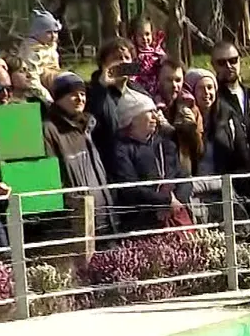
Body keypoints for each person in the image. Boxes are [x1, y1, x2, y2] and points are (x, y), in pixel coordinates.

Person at [42, 72, 117, 236]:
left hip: (105, 220)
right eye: (72, 94)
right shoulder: (50, 130)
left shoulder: (89, 126)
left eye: (82, 94)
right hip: (77, 225)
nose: (80, 99)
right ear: (58, 98)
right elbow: (52, 181)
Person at [111, 89, 193, 231]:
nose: (155, 116)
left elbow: (184, 177)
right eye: (149, 112)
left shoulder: (165, 144)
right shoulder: (121, 150)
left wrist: (176, 203)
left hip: (176, 218)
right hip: (142, 224)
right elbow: (130, 189)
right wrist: (166, 202)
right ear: (132, 118)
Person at [86, 37, 136, 174]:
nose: (123, 62)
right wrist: (102, 87)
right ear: (104, 64)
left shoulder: (138, 91)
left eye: (127, 58)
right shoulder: (90, 91)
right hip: (108, 165)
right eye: (117, 58)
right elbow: (92, 121)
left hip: (134, 164)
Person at [16, 9, 62, 102]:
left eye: (55, 32)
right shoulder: (32, 51)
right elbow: (32, 78)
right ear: (37, 33)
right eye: (48, 32)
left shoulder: (49, 46)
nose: (53, 36)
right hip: (35, 89)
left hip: (52, 81)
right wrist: (47, 98)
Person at [211, 41, 250, 123]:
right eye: (221, 63)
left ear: (240, 60)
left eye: (233, 60)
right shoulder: (211, 98)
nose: (228, 66)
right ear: (213, 65)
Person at [130, 15, 167, 100]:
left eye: (147, 34)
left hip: (156, 84)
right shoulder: (134, 52)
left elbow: (164, 61)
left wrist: (162, 61)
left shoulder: (156, 50)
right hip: (140, 85)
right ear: (134, 37)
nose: (144, 38)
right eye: (140, 35)